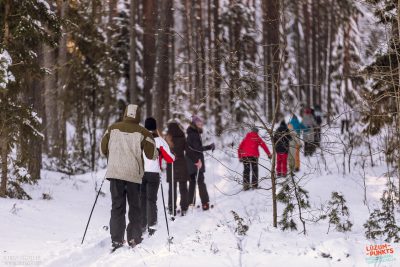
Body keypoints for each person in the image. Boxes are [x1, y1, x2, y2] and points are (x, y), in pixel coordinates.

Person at [100, 104, 158, 251]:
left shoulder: (112, 129)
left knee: (117, 207)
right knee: (135, 207)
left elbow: (102, 149)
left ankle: (117, 240)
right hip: (133, 176)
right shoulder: (143, 132)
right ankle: (134, 237)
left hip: (115, 174)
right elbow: (152, 154)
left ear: (125, 114)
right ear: (138, 115)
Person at [141, 117, 175, 236]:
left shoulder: (140, 139)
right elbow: (170, 159)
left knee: (142, 199)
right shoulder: (159, 141)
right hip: (154, 173)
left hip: (141, 173)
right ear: (155, 127)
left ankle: (142, 226)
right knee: (151, 200)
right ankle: (152, 226)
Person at [186, 115, 215, 211]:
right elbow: (197, 148)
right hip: (196, 161)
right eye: (199, 123)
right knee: (200, 182)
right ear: (194, 124)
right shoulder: (194, 134)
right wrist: (209, 147)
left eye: (201, 123)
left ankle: (190, 203)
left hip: (191, 161)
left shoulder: (192, 133)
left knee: (193, 182)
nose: (201, 124)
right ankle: (205, 203)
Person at [165, 121, 190, 216]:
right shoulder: (182, 138)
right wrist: (196, 160)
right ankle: (184, 207)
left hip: (171, 165)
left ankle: (172, 209)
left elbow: (163, 153)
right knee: (183, 188)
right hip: (182, 165)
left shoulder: (167, 139)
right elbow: (188, 151)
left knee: (172, 188)